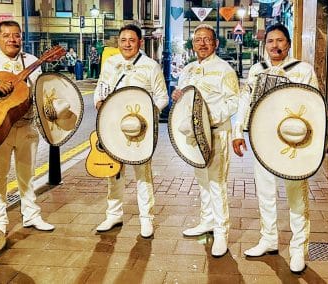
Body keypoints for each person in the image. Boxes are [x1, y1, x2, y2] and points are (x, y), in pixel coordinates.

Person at [232, 23, 318, 273]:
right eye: (270, 41)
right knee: (265, 192)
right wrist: (239, 132)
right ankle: (268, 239)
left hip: (294, 141)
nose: (275, 46)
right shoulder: (257, 70)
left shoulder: (303, 70)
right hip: (263, 138)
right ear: (265, 44)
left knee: (296, 194)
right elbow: (245, 101)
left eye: (280, 41)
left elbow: (314, 105)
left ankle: (298, 249)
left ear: (288, 44)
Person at [93, 24, 168, 238]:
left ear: (140, 42)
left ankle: (146, 219)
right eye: (123, 40)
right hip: (113, 126)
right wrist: (98, 101)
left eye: (131, 40)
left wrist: (149, 111)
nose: (127, 44)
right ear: (118, 42)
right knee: (113, 171)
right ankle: (113, 214)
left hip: (141, 130)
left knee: (143, 174)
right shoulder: (110, 63)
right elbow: (100, 88)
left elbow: (162, 97)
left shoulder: (150, 66)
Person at [172, 24, 239, 257]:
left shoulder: (225, 69)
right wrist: (177, 97)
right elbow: (183, 99)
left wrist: (209, 119)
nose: (202, 43)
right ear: (193, 44)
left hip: (217, 132)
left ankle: (222, 233)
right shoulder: (187, 70)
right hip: (193, 135)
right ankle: (207, 221)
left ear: (215, 43)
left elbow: (233, 102)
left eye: (207, 39)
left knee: (217, 183)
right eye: (198, 39)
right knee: (201, 179)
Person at [0, 20, 55, 234]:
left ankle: (31, 215)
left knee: (28, 174)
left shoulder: (33, 61)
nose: (12, 40)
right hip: (0, 128)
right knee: (0, 175)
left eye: (16, 35)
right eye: (6, 35)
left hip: (27, 125)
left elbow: (40, 91)